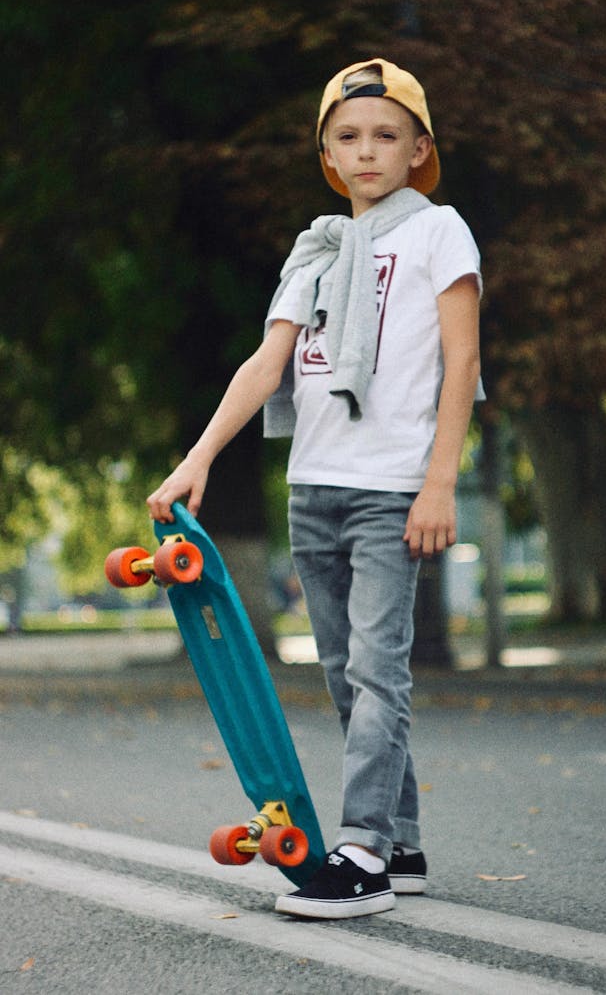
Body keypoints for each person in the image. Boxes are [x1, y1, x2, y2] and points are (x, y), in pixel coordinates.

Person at [147, 57, 483, 919]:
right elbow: (269, 363)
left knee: (378, 670)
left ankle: (362, 850)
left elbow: (463, 360)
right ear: (329, 157)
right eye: (348, 138)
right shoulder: (317, 249)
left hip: (391, 488)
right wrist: (198, 458)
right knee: (344, 672)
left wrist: (439, 480)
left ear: (418, 149)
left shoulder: (441, 232)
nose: (366, 151)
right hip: (315, 488)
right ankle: (401, 838)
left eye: (385, 136)